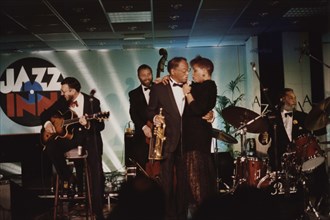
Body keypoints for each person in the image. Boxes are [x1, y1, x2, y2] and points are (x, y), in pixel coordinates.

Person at [40, 77, 106, 219]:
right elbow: (44, 114)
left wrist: (87, 124)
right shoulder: (62, 101)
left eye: (64, 91)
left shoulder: (92, 102)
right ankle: (68, 178)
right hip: (70, 138)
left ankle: (97, 210)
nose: (62, 93)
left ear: (73, 91)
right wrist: (47, 124)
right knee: (50, 147)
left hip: (88, 139)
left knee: (96, 171)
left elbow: (100, 125)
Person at [266, 88, 329, 218]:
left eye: (294, 97)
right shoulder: (272, 117)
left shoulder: (302, 116)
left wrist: (324, 119)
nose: (294, 100)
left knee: (320, 169)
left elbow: (318, 129)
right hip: (279, 155)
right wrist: (264, 136)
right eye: (291, 97)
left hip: (299, 155)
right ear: (283, 99)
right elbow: (265, 135)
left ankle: (321, 204)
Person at [147, 57, 190, 220]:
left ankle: (182, 214)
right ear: (173, 72)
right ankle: (168, 215)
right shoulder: (159, 87)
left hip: (187, 141)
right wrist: (155, 118)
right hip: (167, 140)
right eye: (184, 70)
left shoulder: (190, 87)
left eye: (188, 70)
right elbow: (150, 111)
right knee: (166, 181)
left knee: (184, 181)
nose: (187, 73)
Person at [181, 55, 218, 215]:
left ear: (204, 71)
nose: (192, 74)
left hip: (197, 138)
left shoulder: (209, 86)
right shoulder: (197, 86)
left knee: (196, 176)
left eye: (195, 70)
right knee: (194, 175)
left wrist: (188, 94)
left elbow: (197, 109)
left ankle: (201, 211)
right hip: (192, 136)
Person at [128, 64, 153, 171]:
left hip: (160, 133)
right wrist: (144, 127)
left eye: (149, 74)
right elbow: (133, 113)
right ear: (138, 77)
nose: (147, 77)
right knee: (142, 164)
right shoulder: (133, 94)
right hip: (142, 135)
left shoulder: (161, 89)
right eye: (143, 75)